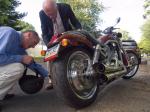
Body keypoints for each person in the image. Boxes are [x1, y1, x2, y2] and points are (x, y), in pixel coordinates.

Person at [0, 26, 49, 111]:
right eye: (34, 42)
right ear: (28, 35)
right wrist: (20, 58)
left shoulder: (20, 48)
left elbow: (32, 64)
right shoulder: (10, 33)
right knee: (18, 68)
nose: (33, 47)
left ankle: (2, 93)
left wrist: (48, 75)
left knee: (18, 66)